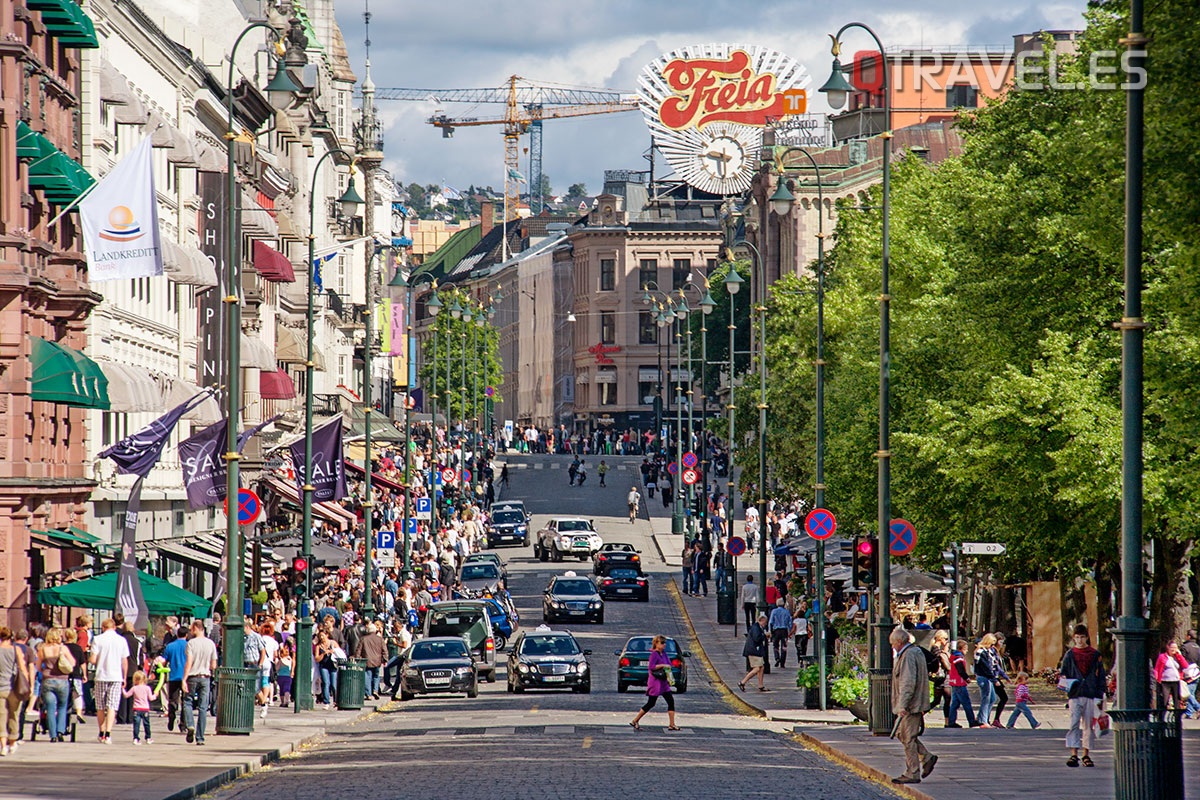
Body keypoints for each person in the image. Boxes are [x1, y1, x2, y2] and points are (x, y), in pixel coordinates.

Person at [890, 627, 936, 784]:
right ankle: (927, 757)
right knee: (902, 735)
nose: (892, 647)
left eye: (892, 643)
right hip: (913, 702)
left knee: (908, 738)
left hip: (911, 704)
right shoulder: (913, 652)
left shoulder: (909, 655)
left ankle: (913, 772)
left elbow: (908, 682)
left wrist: (902, 705)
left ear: (899, 641)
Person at [1059, 624, 1106, 768]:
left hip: (1090, 693)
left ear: (1086, 638)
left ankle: (1086, 754)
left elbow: (1101, 675)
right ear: (1074, 638)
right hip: (1075, 694)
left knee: (1088, 725)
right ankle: (1074, 753)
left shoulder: (1094, 654)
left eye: (1082, 637)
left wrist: (1100, 693)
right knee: (1073, 723)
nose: (1079, 640)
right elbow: (1063, 673)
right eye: (1077, 637)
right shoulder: (1070, 655)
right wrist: (1067, 685)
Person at [89, 617, 129, 744]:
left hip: (101, 675)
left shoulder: (98, 639)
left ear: (103, 627)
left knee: (100, 706)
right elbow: (124, 661)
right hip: (116, 676)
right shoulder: (121, 640)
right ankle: (108, 733)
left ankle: (101, 732)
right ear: (115, 627)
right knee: (112, 706)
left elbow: (93, 660)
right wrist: (124, 676)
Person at [628, 635, 679, 731]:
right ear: (656, 644)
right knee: (651, 703)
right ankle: (635, 720)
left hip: (663, 682)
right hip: (655, 682)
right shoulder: (654, 654)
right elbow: (651, 667)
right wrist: (662, 665)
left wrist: (668, 669)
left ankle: (672, 724)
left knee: (670, 701)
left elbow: (669, 664)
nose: (664, 645)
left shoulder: (664, 654)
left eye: (665, 643)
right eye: (662, 643)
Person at [182, 619, 218, 746]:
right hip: (205, 677)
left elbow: (189, 662)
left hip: (192, 676)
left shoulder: (191, 643)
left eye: (192, 629)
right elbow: (214, 665)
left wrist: (184, 679)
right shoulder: (211, 644)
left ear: (196, 628)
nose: (191, 631)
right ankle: (200, 737)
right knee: (203, 708)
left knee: (187, 702)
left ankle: (190, 724)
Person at [35, 627, 74, 742]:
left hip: (48, 680)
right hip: (62, 680)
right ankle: (60, 731)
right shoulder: (63, 648)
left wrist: (44, 672)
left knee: (50, 708)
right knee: (62, 706)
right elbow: (73, 662)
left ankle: (52, 735)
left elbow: (38, 666)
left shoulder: (42, 649)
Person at [0, 627, 28, 756]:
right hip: (14, 688)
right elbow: (22, 668)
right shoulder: (16, 650)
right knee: (14, 715)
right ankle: (12, 743)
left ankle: (3, 745)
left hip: (1, 688)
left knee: (1, 716)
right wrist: (28, 685)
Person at [1152, 639, 1189, 720]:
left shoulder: (1177, 657)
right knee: (1165, 700)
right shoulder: (1162, 657)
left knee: (1177, 701)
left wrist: (1179, 656)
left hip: (1175, 681)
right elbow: (1157, 669)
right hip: (1165, 681)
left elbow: (1185, 666)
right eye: (1172, 647)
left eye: (1175, 647)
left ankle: (1177, 720)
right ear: (1167, 647)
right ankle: (1161, 718)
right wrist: (1157, 679)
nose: (1173, 649)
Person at [122, 670, 160, 744]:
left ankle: (136, 738)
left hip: (136, 708)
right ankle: (148, 738)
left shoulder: (134, 688)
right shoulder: (147, 688)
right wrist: (155, 695)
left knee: (136, 725)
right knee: (147, 724)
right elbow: (151, 698)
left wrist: (122, 689)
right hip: (145, 709)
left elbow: (126, 695)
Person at [945, 639, 977, 728]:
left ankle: (951, 722)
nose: (966, 651)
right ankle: (971, 720)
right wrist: (967, 678)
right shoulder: (959, 658)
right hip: (959, 682)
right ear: (961, 648)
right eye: (966, 649)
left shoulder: (954, 657)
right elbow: (960, 670)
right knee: (966, 702)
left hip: (954, 682)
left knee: (955, 703)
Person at [162, 626, 188, 733]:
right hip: (186, 677)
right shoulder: (189, 646)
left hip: (173, 676)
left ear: (177, 634)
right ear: (186, 635)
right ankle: (183, 724)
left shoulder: (170, 646)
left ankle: (171, 715)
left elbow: (164, 661)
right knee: (185, 701)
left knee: (172, 699)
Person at [738, 614, 769, 692]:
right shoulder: (756, 628)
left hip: (756, 651)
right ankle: (742, 682)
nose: (765, 624)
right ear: (761, 620)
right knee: (757, 668)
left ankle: (760, 685)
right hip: (754, 651)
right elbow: (756, 638)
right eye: (765, 622)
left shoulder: (758, 627)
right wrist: (765, 635)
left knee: (761, 667)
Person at [974, 633, 999, 728]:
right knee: (986, 698)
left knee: (992, 698)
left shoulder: (987, 651)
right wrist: (994, 679)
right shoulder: (981, 651)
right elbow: (985, 667)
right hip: (984, 677)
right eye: (991, 644)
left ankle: (982, 718)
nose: (992, 647)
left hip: (988, 677)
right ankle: (984, 721)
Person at [1181, 629, 1200, 719]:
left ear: (1189, 636)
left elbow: (1182, 660)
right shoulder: (1198, 647)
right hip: (1196, 672)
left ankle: (1198, 707)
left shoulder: (1185, 647)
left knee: (1187, 693)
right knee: (1191, 692)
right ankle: (1189, 712)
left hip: (1188, 672)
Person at [769, 598, 792, 669]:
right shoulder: (786, 612)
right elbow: (790, 622)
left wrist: (770, 630)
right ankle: (782, 662)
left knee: (775, 645)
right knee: (784, 647)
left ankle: (777, 658)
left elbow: (771, 622)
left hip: (776, 630)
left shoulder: (774, 611)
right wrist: (790, 631)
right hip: (784, 630)